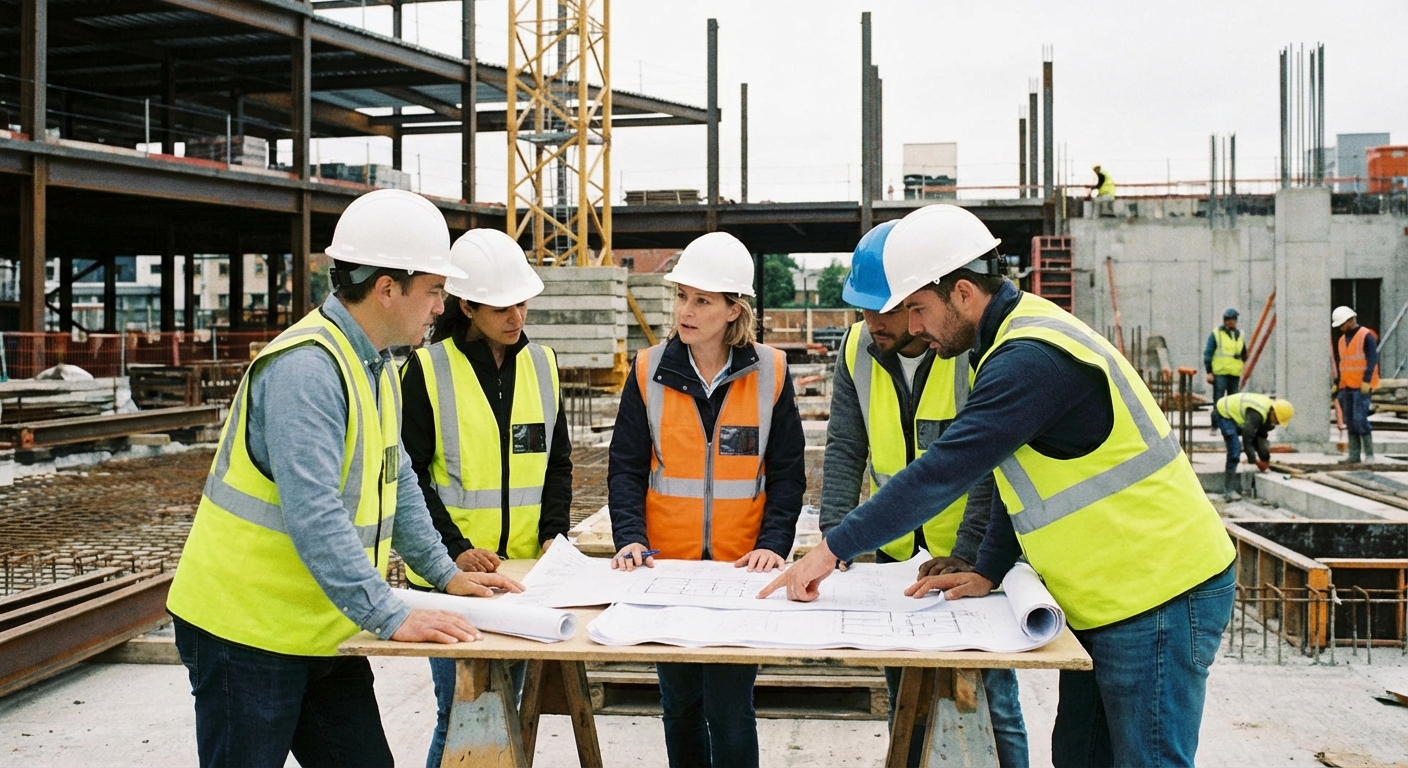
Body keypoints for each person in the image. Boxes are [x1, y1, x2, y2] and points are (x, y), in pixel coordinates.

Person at [762, 204, 1237, 767]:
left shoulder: (1028, 359)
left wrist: (830, 549)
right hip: (1110, 596)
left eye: (918, 308)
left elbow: (945, 470)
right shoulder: (1005, 338)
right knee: (1080, 758)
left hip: (1160, 592)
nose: (912, 326)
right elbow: (1017, 482)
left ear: (963, 293)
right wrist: (988, 566)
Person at [165, 189, 523, 768]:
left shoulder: (377, 360)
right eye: (433, 290)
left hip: (322, 627)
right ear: (387, 288)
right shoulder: (307, 369)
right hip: (245, 633)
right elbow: (315, 513)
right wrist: (390, 613)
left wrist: (443, 574)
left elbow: (398, 476)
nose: (441, 306)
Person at [822, 220, 1028, 767]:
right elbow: (845, 447)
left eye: (885, 310)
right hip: (895, 563)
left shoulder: (970, 349)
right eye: (861, 311)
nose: (870, 324)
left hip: (969, 557)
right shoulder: (857, 350)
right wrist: (833, 541)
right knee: (905, 700)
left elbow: (987, 469)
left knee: (993, 698)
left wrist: (968, 554)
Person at [608, 231, 806, 768]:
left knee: (731, 709)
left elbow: (788, 474)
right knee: (680, 708)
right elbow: (625, 467)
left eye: (701, 300)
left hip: (740, 573)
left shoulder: (772, 371)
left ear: (732, 310)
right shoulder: (649, 370)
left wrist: (774, 543)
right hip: (665, 572)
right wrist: (629, 536)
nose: (685, 311)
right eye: (681, 297)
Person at [399, 228, 573, 768]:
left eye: (521, 302)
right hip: (450, 580)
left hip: (520, 577)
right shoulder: (428, 370)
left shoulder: (542, 365)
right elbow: (410, 477)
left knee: (504, 711)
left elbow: (556, 462)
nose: (516, 316)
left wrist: (553, 532)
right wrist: (453, 550)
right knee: (462, 715)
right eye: (501, 306)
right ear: (466, 304)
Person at [1214, 393, 1293, 501]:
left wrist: (1265, 459)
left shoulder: (1267, 415)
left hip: (1235, 414)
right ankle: (1228, 491)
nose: (1277, 424)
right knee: (1234, 450)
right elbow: (1247, 439)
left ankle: (1229, 489)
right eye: (1277, 421)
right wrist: (1255, 461)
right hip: (1224, 412)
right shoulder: (1257, 414)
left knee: (1248, 435)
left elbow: (1260, 438)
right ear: (1273, 413)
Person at [1332, 305, 1379, 463]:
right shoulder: (1341, 341)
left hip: (1361, 386)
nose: (1340, 328)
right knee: (1350, 421)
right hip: (1346, 387)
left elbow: (1372, 359)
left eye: (1342, 324)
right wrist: (1337, 384)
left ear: (1350, 320)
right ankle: (1354, 455)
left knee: (1360, 419)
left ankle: (1370, 455)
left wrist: (1366, 381)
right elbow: (1343, 364)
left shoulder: (1365, 335)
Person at [1204, 307, 1246, 434]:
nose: (1232, 322)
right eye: (1230, 320)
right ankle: (1215, 425)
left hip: (1234, 373)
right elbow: (1208, 353)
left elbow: (1244, 352)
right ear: (1225, 321)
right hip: (1220, 373)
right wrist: (1209, 372)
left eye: (1234, 319)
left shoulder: (1239, 335)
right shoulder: (1217, 334)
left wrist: (1241, 360)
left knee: (1234, 402)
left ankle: (1234, 426)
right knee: (1219, 401)